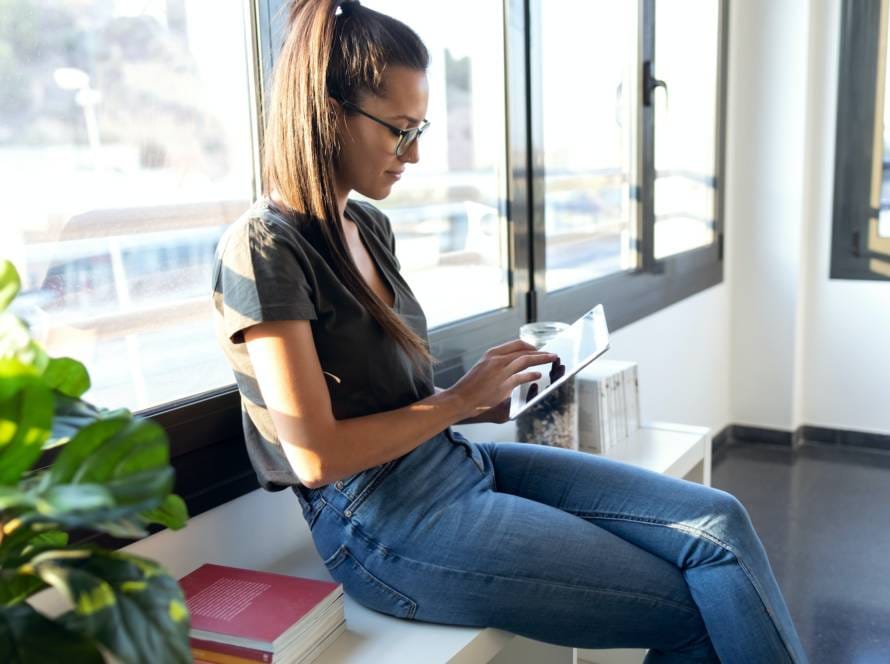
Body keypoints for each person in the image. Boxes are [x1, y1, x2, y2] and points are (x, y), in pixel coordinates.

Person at [211, 1, 809, 662]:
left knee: (718, 524)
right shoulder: (265, 247)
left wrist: (482, 397)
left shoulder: (368, 228)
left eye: (421, 127)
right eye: (399, 130)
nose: (416, 152)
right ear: (329, 115)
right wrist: (457, 401)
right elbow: (315, 457)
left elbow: (383, 390)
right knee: (689, 608)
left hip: (451, 461)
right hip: (381, 524)